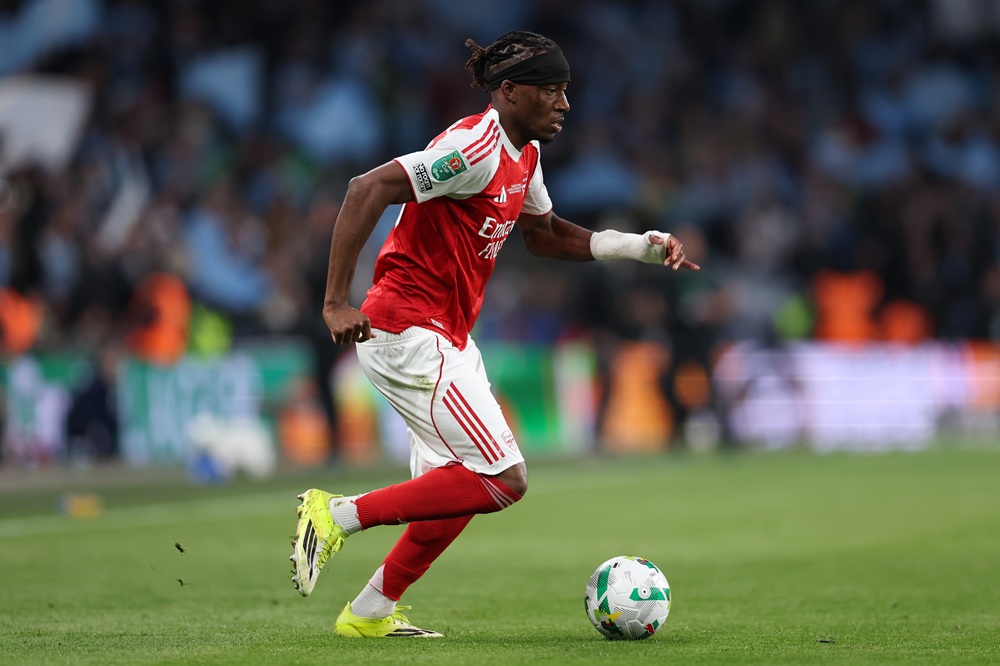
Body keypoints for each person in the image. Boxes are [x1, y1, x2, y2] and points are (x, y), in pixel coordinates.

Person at [290, 30, 700, 638]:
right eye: (551, 90)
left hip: (445, 335)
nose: (564, 103)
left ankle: (369, 613)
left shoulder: (523, 153)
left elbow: (544, 235)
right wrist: (333, 303)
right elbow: (366, 188)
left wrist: (640, 247)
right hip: (408, 331)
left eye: (566, 90)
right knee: (504, 479)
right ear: (509, 92)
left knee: (457, 488)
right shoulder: (473, 149)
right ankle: (337, 515)